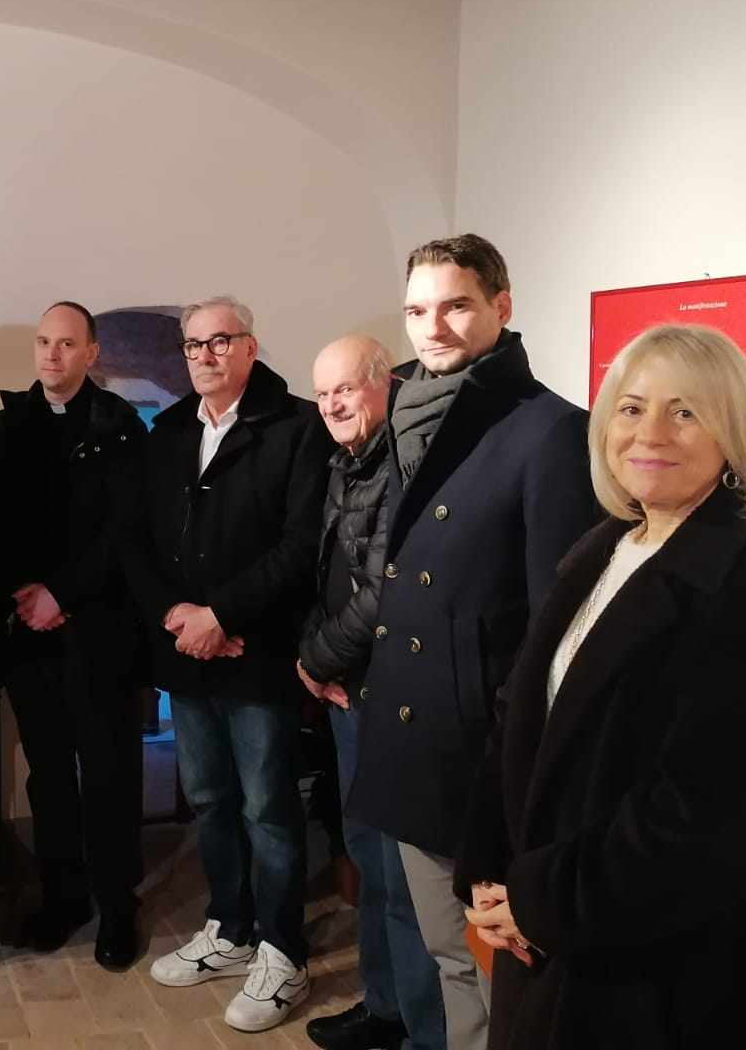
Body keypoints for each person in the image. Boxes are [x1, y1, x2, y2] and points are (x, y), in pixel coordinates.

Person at [455, 323, 746, 1049]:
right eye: (631, 408)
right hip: (555, 937)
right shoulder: (603, 547)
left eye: (685, 411)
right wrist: (488, 869)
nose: (650, 432)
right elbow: (521, 722)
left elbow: (714, 819)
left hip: (659, 977)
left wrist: (540, 900)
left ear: (734, 435)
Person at [344, 236, 592, 1050]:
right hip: (413, 738)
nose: (433, 327)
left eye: (456, 305)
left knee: (495, 968)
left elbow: (554, 627)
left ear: (502, 306)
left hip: (480, 754)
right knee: (446, 956)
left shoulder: (550, 431)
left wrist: (517, 772)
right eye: (417, 310)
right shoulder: (407, 415)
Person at [127, 295, 334, 1033]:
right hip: (188, 654)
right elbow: (139, 541)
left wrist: (223, 617)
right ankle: (230, 928)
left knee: (268, 808)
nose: (206, 355)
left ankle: (283, 950)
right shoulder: (170, 431)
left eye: (221, 341)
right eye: (194, 345)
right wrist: (178, 618)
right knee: (209, 798)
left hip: (258, 654)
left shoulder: (298, 427)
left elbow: (301, 545)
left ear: (250, 346)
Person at [0, 301, 146, 969]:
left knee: (109, 772)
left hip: (99, 629)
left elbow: (126, 530)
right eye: (44, 342)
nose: (51, 354)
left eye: (66, 343)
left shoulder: (119, 424)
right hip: (30, 632)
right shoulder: (9, 424)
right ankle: (63, 896)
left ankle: (117, 907)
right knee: (48, 774)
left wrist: (64, 595)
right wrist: (25, 595)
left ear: (91, 353)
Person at [297, 335, 444, 1050]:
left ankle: (422, 1029)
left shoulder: (405, 462)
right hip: (349, 694)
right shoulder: (344, 460)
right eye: (323, 392)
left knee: (406, 879)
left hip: (394, 697)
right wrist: (316, 655)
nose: (332, 404)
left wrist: (316, 658)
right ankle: (385, 1007)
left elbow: (387, 584)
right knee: (371, 864)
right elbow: (327, 570)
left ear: (384, 385)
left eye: (346, 388)